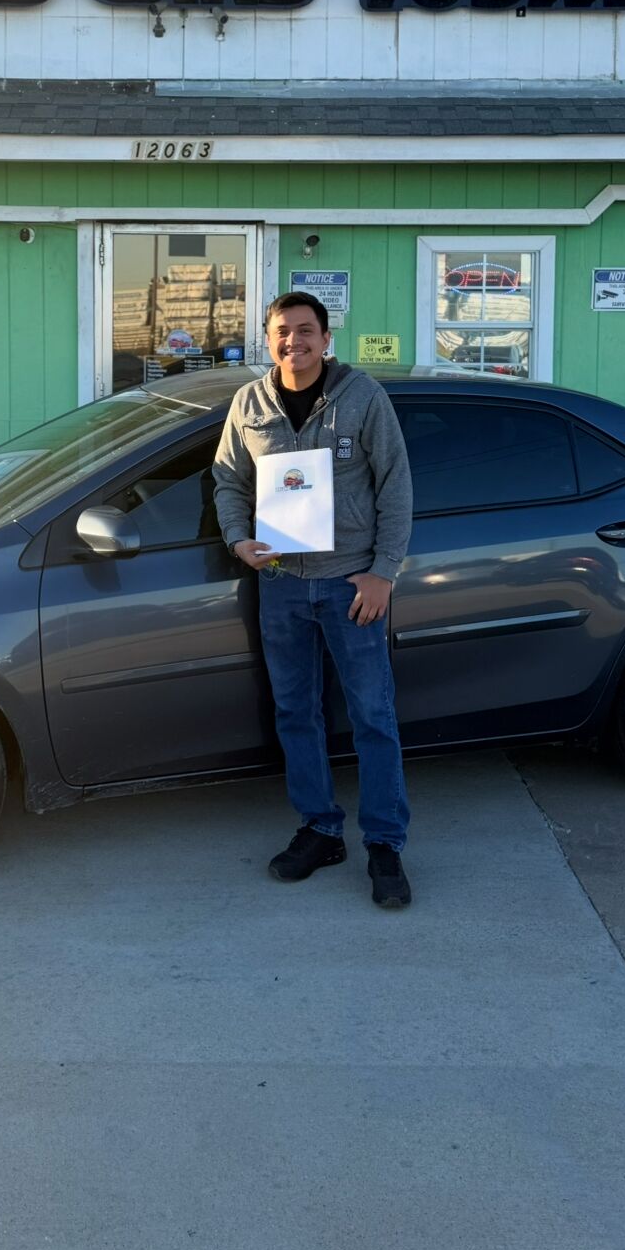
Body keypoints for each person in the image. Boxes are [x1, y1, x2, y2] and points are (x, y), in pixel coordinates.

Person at [212, 292, 414, 909]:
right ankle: (321, 829)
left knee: (372, 716)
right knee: (296, 713)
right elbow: (227, 479)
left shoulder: (363, 398)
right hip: (280, 585)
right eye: (281, 331)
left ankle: (384, 843)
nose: (292, 341)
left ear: (327, 339)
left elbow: (396, 485)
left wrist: (382, 573)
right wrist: (238, 541)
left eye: (305, 331)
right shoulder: (249, 404)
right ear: (267, 339)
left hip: (351, 585)